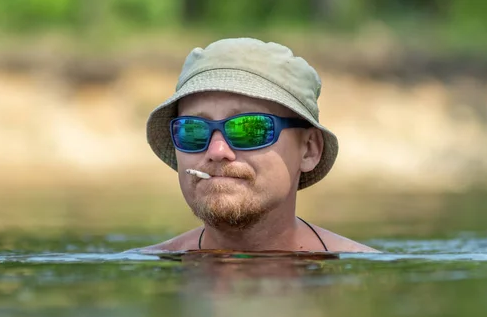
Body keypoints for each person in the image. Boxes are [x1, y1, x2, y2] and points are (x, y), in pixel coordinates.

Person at [142, 38, 377, 252]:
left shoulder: (360, 277)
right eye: (192, 130)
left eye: (250, 129)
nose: (216, 151)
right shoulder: (150, 269)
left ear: (309, 149)